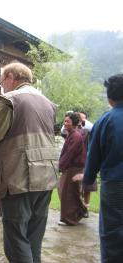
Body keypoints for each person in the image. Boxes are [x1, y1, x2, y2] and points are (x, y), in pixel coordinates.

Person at [0, 62, 58, 263]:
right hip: (46, 176)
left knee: (16, 240)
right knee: (34, 239)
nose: (2, 85)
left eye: (2, 80)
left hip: (19, 177)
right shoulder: (48, 102)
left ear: (12, 77)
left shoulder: (11, 99)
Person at [83, 73, 123, 262]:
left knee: (112, 232)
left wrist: (88, 180)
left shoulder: (106, 120)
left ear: (109, 97)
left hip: (115, 185)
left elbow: (94, 156)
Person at [58, 112, 87, 226]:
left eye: (67, 122)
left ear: (74, 123)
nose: (65, 124)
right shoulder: (71, 134)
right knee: (67, 191)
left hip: (73, 169)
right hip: (70, 168)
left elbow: (69, 154)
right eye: (65, 121)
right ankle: (80, 211)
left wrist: (60, 166)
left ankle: (70, 218)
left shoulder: (75, 136)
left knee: (68, 193)